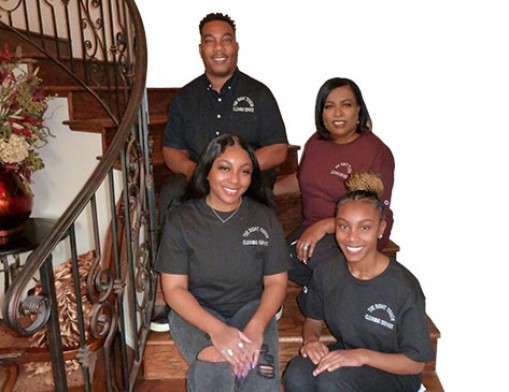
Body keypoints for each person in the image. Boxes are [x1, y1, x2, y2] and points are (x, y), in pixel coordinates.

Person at [152, 12, 288, 331]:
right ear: (201, 48)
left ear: (236, 46)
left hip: (246, 182)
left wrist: (240, 169)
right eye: (210, 41)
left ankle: (269, 292)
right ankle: (166, 292)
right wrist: (196, 171)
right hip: (200, 180)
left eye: (226, 39)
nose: (219, 47)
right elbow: (171, 151)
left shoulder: (259, 93)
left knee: (264, 204)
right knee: (171, 195)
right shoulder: (186, 97)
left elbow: (279, 149)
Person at [154, 134, 290, 391]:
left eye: (245, 171)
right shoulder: (181, 220)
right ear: (207, 171)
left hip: (252, 309)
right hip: (196, 313)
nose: (235, 180)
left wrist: (257, 326)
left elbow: (276, 282)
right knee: (216, 364)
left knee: (261, 374)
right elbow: (174, 290)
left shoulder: (265, 218)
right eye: (224, 168)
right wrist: (218, 331)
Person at [282, 171, 434, 391]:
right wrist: (311, 341)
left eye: (364, 227)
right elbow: (313, 321)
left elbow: (415, 363)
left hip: (395, 370)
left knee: (332, 382)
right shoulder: (327, 271)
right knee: (297, 374)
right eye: (344, 226)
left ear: (380, 229)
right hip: (349, 356)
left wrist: (361, 356)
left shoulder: (403, 287)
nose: (352, 238)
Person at [285, 77, 395, 295]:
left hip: (355, 233)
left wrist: (325, 226)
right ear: (321, 113)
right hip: (312, 227)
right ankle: (319, 295)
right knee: (274, 257)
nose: (337, 113)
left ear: (358, 110)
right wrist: (261, 189)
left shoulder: (376, 152)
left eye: (345, 105)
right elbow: (300, 179)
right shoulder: (316, 142)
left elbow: (375, 213)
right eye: (329, 106)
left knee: (320, 264)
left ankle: (337, 304)